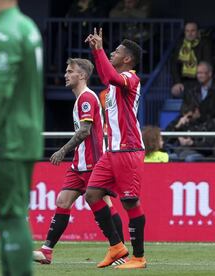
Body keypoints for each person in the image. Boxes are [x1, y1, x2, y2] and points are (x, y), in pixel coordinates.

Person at [0, 0, 43, 275]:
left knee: (10, 215)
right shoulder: (26, 26)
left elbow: (2, 86)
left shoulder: (5, 31)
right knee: (10, 214)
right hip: (24, 133)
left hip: (8, 137)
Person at [32, 58, 124, 265]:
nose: (66, 74)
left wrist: (62, 150)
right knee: (62, 202)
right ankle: (47, 251)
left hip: (93, 164)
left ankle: (119, 250)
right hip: (79, 164)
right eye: (66, 71)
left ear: (81, 75)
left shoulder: (86, 99)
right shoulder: (81, 99)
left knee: (105, 205)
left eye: (70, 71)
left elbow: (85, 131)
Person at [84, 28, 146, 269]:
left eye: (117, 51)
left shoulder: (131, 78)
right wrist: (96, 52)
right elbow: (105, 75)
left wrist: (99, 50)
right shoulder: (112, 86)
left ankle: (139, 257)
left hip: (128, 149)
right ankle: (116, 247)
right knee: (92, 194)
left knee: (130, 202)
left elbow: (110, 77)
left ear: (127, 59)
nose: (112, 52)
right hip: (112, 152)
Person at [171, 22, 212, 98]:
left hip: (200, 80)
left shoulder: (204, 43)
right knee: (175, 91)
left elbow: (207, 63)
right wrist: (177, 82)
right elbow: (174, 65)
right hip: (183, 81)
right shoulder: (180, 44)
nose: (190, 33)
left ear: (197, 32)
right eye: (187, 31)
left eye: (192, 30)